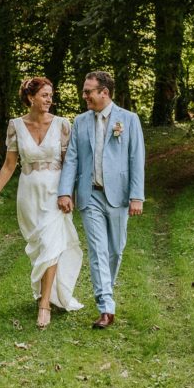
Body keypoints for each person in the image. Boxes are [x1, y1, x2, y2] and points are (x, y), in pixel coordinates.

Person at [0, 77, 84, 328]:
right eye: (44, 95)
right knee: (40, 247)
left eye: (51, 95)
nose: (49, 100)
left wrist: (68, 193)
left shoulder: (62, 124)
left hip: (55, 192)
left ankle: (44, 305)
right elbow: (9, 166)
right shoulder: (16, 126)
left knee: (52, 244)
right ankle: (45, 293)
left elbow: (69, 163)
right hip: (28, 193)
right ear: (30, 98)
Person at [57, 71, 145, 329]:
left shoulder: (128, 120)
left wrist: (136, 196)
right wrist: (65, 191)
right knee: (98, 251)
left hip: (118, 195)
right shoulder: (81, 122)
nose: (84, 96)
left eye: (88, 91)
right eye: (85, 91)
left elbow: (136, 159)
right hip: (90, 194)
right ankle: (106, 307)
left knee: (115, 250)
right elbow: (72, 158)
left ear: (104, 93)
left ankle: (107, 289)